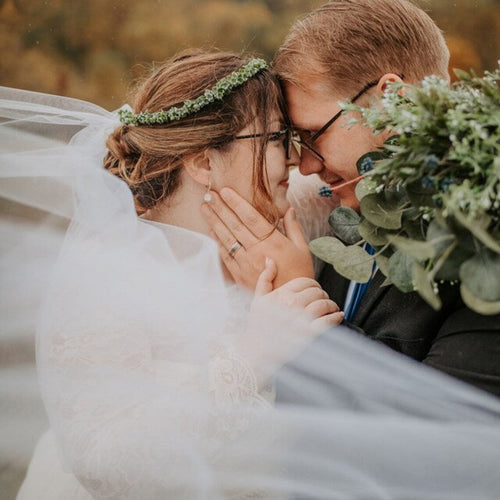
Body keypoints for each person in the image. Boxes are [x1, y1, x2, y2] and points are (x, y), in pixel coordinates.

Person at [2, 48, 500, 499]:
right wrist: (253, 356)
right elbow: (106, 468)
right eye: (278, 138)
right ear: (203, 161)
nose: (298, 160)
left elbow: (399, 179)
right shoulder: (107, 273)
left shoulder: (291, 210)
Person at [203, 0, 500, 398]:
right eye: (294, 140)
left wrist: (300, 302)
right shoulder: (337, 212)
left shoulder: (485, 242)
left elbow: (439, 432)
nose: (305, 166)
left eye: (314, 134)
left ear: (394, 101)